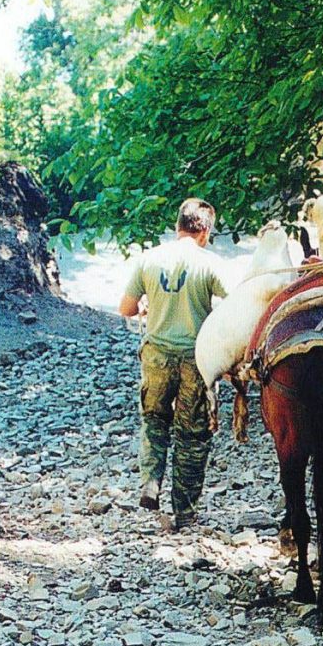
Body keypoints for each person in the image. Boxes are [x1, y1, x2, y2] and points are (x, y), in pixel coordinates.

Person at [119, 198, 228, 529]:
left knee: (154, 419)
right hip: (196, 359)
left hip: (156, 355)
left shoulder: (148, 259)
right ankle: (184, 511)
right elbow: (232, 304)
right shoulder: (210, 264)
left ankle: (150, 484)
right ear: (204, 231)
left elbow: (125, 308)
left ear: (177, 225)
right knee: (193, 434)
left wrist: (145, 312)